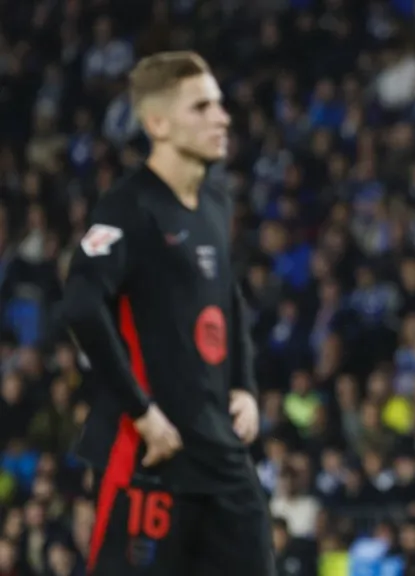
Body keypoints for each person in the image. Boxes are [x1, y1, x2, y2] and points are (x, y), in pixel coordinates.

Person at [60, 51, 275, 576]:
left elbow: (228, 299)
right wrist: (143, 414)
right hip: (151, 456)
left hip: (220, 452)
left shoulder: (215, 203)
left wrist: (244, 385)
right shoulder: (127, 207)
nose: (222, 117)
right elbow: (82, 304)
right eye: (202, 107)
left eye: (220, 104)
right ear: (157, 123)